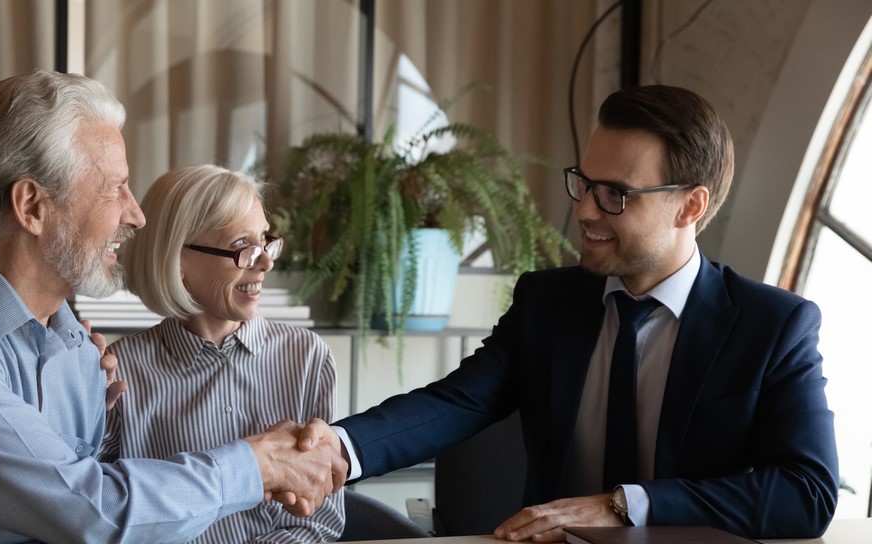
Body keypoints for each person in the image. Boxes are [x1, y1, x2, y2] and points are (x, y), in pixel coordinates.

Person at [302, 84, 839, 541]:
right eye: (584, 182)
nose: (583, 209)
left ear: (690, 207)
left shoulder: (773, 326)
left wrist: (623, 504)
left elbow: (807, 492)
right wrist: (339, 449)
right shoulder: (547, 303)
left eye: (615, 195)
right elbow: (455, 402)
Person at [0, 69, 345, 544]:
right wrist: (259, 464)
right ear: (32, 207)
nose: (136, 215)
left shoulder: (77, 347)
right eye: (113, 188)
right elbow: (93, 512)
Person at [97, 164, 345, 543]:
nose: (265, 262)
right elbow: (100, 514)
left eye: (265, 241)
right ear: (178, 260)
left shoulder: (306, 356)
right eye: (242, 247)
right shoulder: (118, 373)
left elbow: (321, 519)